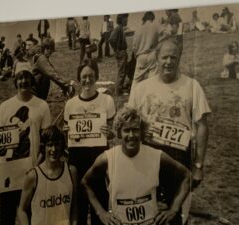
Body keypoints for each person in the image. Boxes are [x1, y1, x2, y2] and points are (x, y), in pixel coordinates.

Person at [128, 38, 211, 224]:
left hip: (179, 157)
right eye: (164, 57)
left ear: (179, 58)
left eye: (173, 57)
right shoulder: (142, 88)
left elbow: (203, 125)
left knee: (174, 214)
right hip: (148, 156)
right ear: (156, 58)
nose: (169, 62)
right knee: (146, 211)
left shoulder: (192, 86)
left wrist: (198, 166)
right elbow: (128, 123)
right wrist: (141, 133)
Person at [82, 106, 191, 225]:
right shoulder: (107, 158)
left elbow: (187, 176)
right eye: (126, 130)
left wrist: (173, 210)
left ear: (142, 131)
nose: (131, 135)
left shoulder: (156, 156)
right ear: (119, 132)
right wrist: (101, 213)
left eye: (135, 129)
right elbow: (85, 182)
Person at [0, 66, 51, 225]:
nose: (23, 81)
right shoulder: (5, 107)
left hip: (31, 167)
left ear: (32, 80)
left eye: (27, 77)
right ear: (15, 81)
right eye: (20, 77)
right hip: (8, 168)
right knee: (7, 213)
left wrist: (38, 165)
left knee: (29, 213)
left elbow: (46, 140)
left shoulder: (42, 106)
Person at [64, 59, 116, 225]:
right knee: (79, 204)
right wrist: (67, 132)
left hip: (98, 157)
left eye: (91, 76)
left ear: (97, 77)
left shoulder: (107, 101)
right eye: (84, 76)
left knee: (99, 204)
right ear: (79, 79)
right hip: (78, 157)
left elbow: (112, 131)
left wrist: (110, 133)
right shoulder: (70, 104)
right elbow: (69, 135)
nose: (87, 80)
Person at [18, 125, 78, 225]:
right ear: (43, 147)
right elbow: (22, 210)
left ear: (62, 146)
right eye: (49, 145)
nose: (53, 149)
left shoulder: (71, 171)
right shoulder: (34, 176)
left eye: (57, 144)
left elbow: (74, 208)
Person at [131, 11, 168, 92]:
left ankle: (132, 100)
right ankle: (152, 96)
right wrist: (159, 41)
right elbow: (167, 33)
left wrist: (136, 55)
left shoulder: (138, 28)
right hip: (151, 54)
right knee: (153, 78)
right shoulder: (155, 25)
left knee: (136, 80)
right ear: (152, 18)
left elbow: (134, 46)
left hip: (140, 56)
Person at [109, 13, 130, 95]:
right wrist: (117, 49)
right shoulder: (118, 28)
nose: (127, 20)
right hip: (121, 52)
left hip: (122, 52)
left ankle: (120, 88)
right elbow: (111, 39)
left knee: (123, 71)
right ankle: (118, 91)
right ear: (122, 19)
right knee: (121, 72)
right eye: (126, 18)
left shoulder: (121, 28)